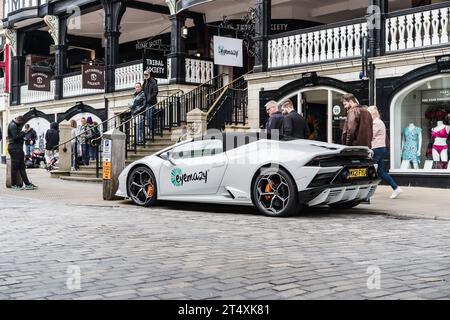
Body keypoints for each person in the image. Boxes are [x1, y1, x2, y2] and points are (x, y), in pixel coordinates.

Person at [367, 106, 403, 199]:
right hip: (379, 148)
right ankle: (396, 188)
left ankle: (367, 194)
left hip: (376, 148)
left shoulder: (376, 123)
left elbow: (370, 135)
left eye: (368, 114)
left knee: (369, 169)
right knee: (381, 172)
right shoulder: (378, 122)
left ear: (373, 114)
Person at [7, 116, 38, 190]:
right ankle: (14, 185)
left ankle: (27, 183)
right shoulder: (13, 126)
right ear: (19, 121)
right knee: (15, 168)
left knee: (22, 167)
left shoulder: (15, 125)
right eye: (21, 123)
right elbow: (15, 137)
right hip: (15, 149)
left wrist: (23, 133)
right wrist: (23, 133)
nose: (21, 125)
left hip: (18, 148)